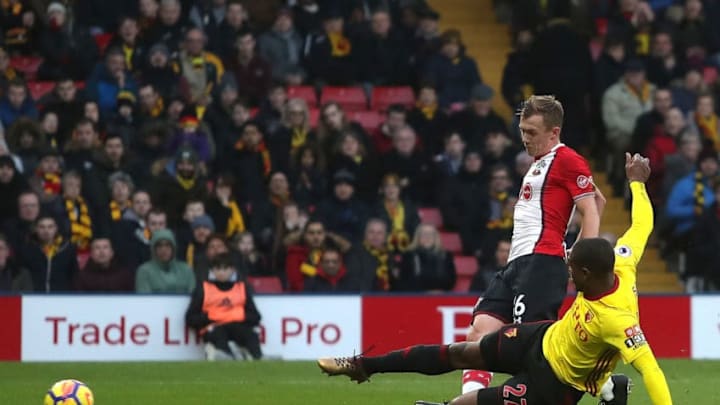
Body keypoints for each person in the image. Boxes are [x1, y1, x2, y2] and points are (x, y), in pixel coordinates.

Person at [318, 154, 673, 405]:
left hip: (554, 386)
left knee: (466, 404)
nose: (567, 270)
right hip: (541, 339)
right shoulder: (622, 260)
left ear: (586, 273)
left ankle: (612, 389)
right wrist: (638, 184)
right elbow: (641, 226)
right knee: (459, 352)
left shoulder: (620, 320)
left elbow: (653, 372)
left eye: (571, 267)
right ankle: (364, 366)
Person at [460, 95, 601, 394]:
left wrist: (582, 261)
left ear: (554, 132)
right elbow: (597, 198)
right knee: (478, 335)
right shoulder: (540, 164)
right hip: (516, 264)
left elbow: (591, 209)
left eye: (532, 132)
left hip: (542, 263)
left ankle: (607, 387)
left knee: (530, 352)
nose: (525, 138)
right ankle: (468, 401)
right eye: (523, 130)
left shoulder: (567, 159)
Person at [186, 252, 262, 361]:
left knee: (251, 335)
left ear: (232, 270)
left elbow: (255, 317)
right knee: (218, 334)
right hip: (213, 327)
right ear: (212, 270)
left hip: (237, 325)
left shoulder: (241, 288)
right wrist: (210, 317)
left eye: (225, 268)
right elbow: (190, 318)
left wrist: (225, 315)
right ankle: (226, 357)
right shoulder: (203, 289)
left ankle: (257, 358)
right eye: (218, 268)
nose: (222, 272)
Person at [135, 229, 195, 293]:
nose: (163, 249)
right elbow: (145, 300)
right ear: (153, 249)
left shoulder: (186, 270)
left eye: (167, 245)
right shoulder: (144, 271)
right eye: (159, 246)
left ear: (173, 248)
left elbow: (194, 297)